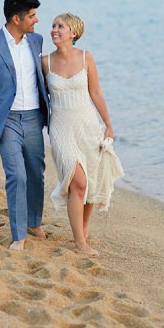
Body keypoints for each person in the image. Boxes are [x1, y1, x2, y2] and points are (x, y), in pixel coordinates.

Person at [42, 13, 123, 255]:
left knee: (89, 182)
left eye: (60, 27)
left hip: (87, 125)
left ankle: (83, 233)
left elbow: (96, 93)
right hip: (61, 128)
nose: (54, 30)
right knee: (78, 180)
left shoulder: (87, 58)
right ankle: (79, 242)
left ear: (73, 33)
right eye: (53, 26)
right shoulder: (44, 62)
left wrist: (108, 124)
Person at [0, 0, 50, 250]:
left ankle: (34, 221)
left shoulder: (36, 42)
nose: (36, 20)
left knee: (36, 174)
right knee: (16, 175)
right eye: (32, 15)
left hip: (33, 119)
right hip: (6, 121)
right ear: (16, 19)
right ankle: (19, 235)